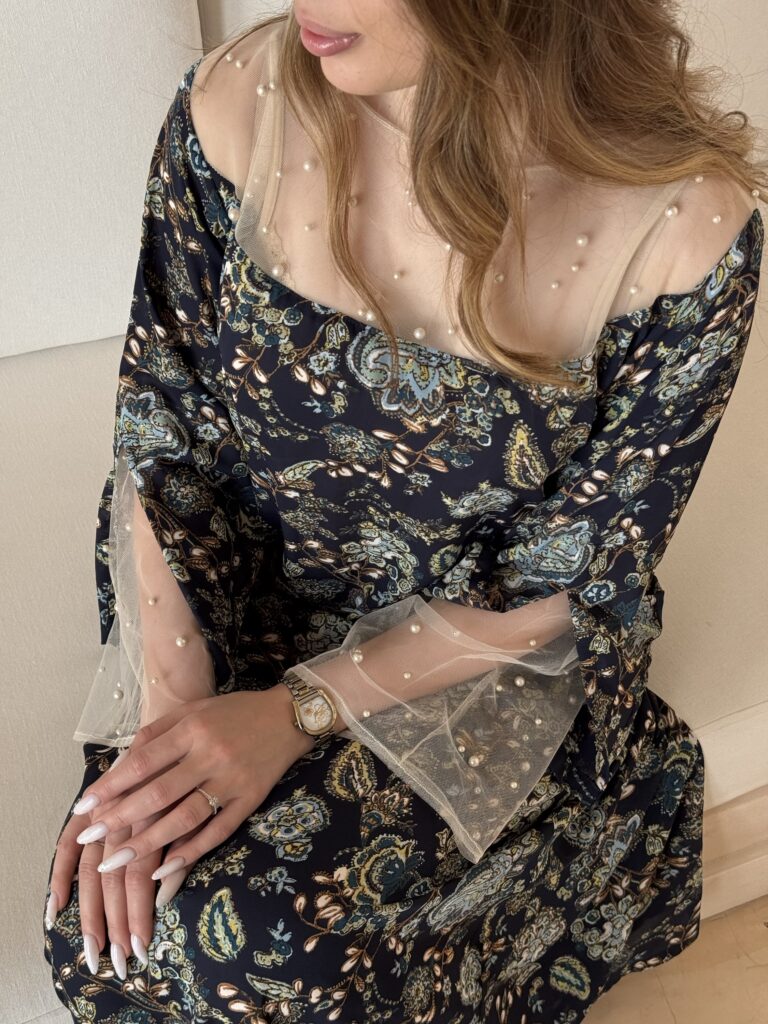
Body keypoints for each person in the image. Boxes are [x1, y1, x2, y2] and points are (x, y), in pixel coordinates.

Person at [43, 2, 765, 1021]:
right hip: (236, 582)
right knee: (106, 925)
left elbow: (572, 573)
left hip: (476, 653)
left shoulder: (681, 230)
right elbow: (165, 431)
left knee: (257, 952)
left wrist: (296, 711)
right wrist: (171, 722)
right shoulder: (243, 100)